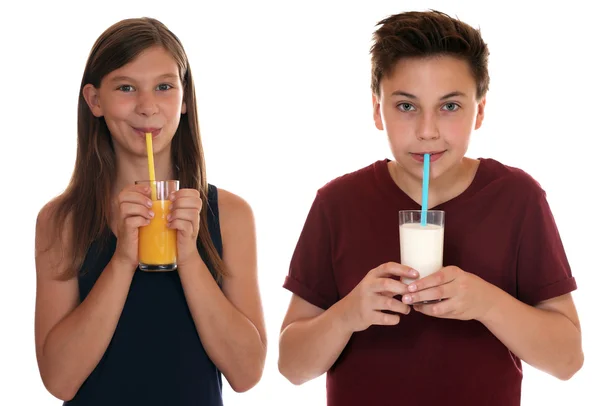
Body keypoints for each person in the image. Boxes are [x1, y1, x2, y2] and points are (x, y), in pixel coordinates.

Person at [278, 10, 583, 406]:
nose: (427, 131)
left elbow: (568, 360)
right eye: (406, 107)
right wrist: (348, 314)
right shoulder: (337, 203)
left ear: (481, 110)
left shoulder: (518, 198)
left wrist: (486, 302)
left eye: (449, 107)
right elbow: (292, 366)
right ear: (377, 110)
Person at [34, 17, 266, 405]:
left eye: (163, 87)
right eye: (126, 88)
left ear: (184, 98)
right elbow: (59, 380)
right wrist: (123, 258)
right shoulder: (62, 221)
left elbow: (246, 374)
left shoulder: (230, 213)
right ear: (94, 100)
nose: (147, 107)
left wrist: (189, 255)